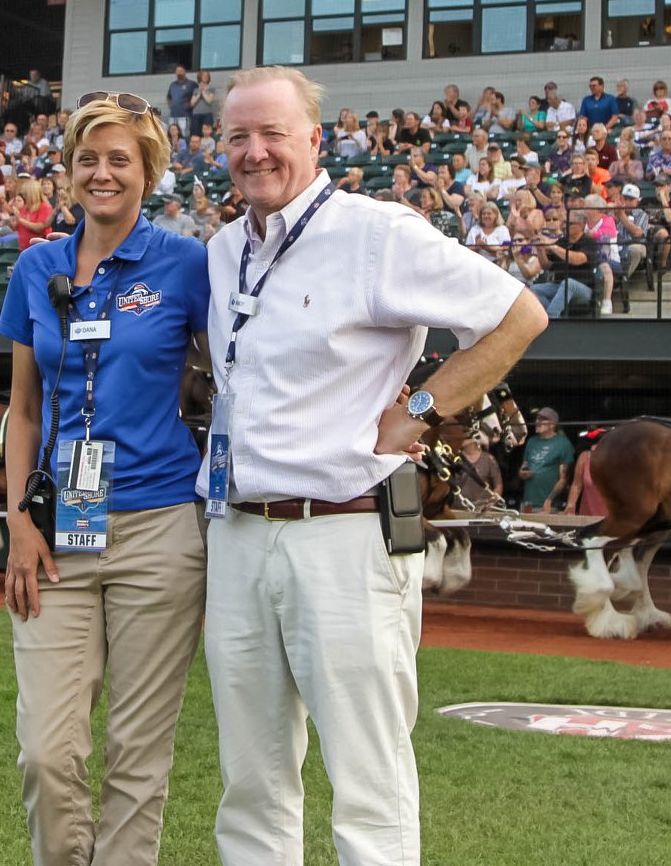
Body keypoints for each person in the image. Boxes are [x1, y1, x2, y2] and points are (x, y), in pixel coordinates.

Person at [198, 65, 545, 866]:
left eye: (272, 133)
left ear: (315, 139)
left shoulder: (376, 233)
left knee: (368, 781)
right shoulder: (223, 250)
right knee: (250, 782)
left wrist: (418, 411)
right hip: (240, 532)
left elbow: (518, 314)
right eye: (238, 137)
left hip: (345, 533)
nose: (254, 152)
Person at [0, 91, 209, 866]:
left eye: (120, 158)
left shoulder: (187, 263)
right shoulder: (36, 266)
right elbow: (22, 411)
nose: (103, 172)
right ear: (70, 170)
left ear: (148, 171)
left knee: (137, 755)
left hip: (160, 531)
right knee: (46, 754)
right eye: (88, 158)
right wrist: (19, 519)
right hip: (54, 530)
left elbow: (242, 366)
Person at [519, 407, 574, 513]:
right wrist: (522, 472)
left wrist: (549, 500)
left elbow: (564, 478)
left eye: (542, 419)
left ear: (552, 424)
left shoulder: (563, 444)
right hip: (528, 503)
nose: (537, 422)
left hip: (549, 505)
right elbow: (524, 466)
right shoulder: (531, 442)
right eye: (537, 419)